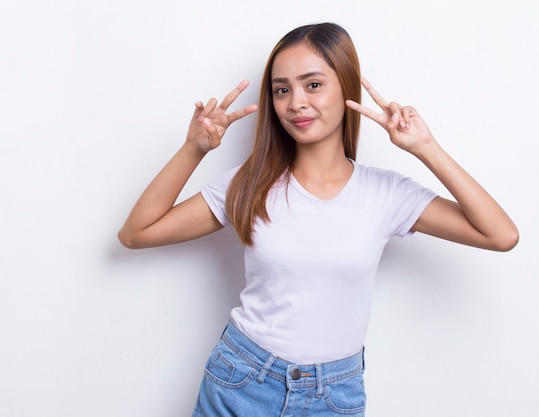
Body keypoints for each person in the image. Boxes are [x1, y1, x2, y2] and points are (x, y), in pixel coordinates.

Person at [118, 22, 518, 417]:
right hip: (241, 382)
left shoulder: (387, 193)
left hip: (334, 396)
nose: (295, 103)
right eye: (282, 90)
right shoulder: (251, 183)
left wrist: (427, 149)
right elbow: (137, 233)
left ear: (345, 86)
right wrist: (195, 148)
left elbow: (500, 235)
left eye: (313, 85)